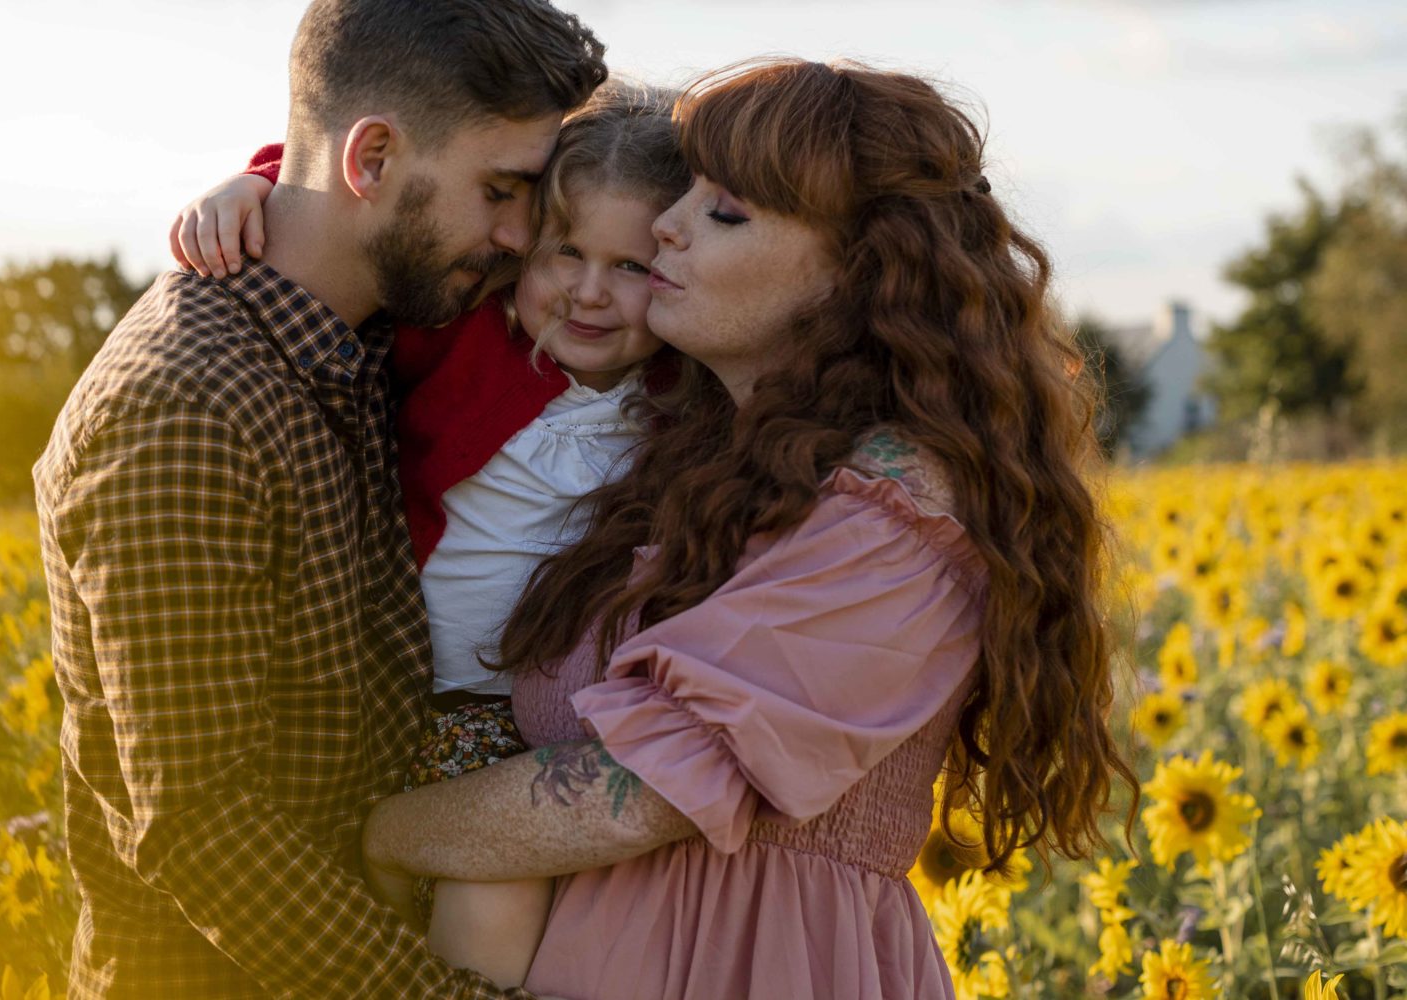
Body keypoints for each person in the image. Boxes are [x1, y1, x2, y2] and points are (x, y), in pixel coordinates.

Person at [351, 58, 1137, 999]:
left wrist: (385, 836)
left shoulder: (903, 511)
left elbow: (640, 795)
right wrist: (264, 187)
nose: (667, 225)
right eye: (684, 195)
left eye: (725, 213)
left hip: (757, 963)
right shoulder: (682, 456)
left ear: (856, 273)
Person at [28, 1, 606, 996]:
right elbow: (206, 831)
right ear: (371, 158)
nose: (519, 236)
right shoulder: (186, 409)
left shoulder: (363, 340)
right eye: (499, 190)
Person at [173, 82, 691, 987]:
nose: (590, 293)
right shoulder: (464, 335)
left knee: (508, 903)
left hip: (547, 733)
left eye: (633, 266)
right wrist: (251, 185)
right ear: (521, 243)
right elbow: (341, 233)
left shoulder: (683, 398)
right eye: (564, 251)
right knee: (448, 897)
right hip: (408, 697)